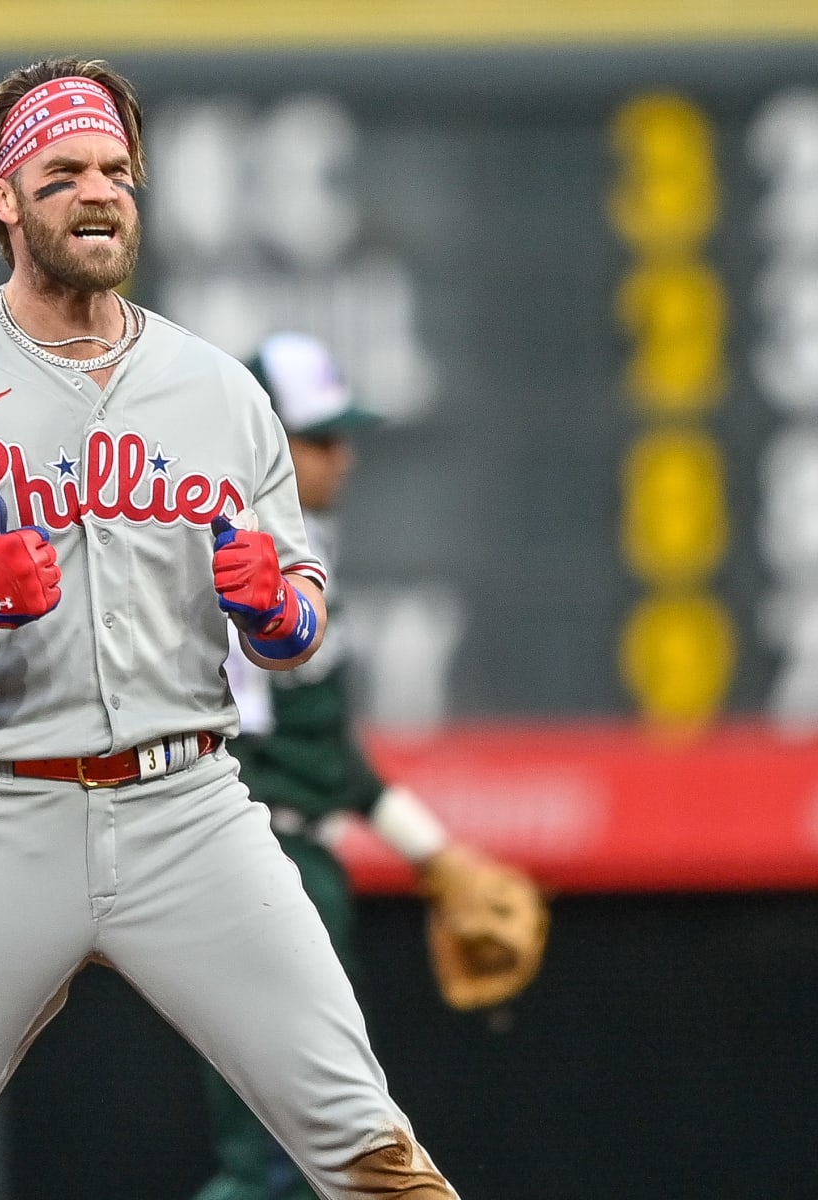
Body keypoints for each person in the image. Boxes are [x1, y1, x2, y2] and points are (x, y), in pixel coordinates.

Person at [0, 58, 457, 1200]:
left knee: (366, 1143)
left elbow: (296, 625)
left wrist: (278, 612)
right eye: (63, 173)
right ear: (2, 197)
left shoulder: (219, 390)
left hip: (188, 807)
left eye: (116, 171)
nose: (99, 193)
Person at [194, 332, 547, 1200]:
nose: (342, 458)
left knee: (304, 1155)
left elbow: (327, 750)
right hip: (259, 865)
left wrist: (428, 850)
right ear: (265, 438)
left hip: (297, 863)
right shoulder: (236, 550)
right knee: (281, 1157)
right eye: (318, 439)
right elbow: (246, 741)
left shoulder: (297, 548)